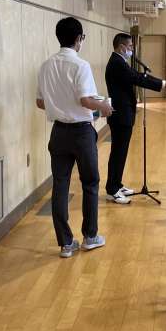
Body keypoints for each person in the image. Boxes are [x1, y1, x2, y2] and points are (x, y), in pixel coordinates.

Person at [37, 17, 112, 258]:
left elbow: (40, 102)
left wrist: (60, 106)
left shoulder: (46, 65)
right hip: (81, 133)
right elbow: (85, 100)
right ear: (79, 38)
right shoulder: (81, 65)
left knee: (60, 184)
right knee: (90, 182)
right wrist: (104, 106)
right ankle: (90, 236)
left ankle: (66, 244)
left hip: (58, 132)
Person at [105, 33, 166, 204]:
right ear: (121, 47)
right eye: (130, 46)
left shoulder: (120, 61)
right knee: (118, 152)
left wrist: (162, 82)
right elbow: (137, 78)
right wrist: (163, 84)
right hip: (120, 115)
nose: (132, 49)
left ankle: (117, 184)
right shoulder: (117, 63)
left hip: (123, 114)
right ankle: (112, 190)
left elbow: (137, 75)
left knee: (121, 152)